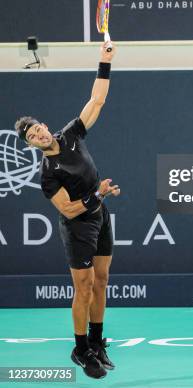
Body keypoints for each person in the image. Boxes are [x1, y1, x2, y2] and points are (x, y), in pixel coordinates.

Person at [14, 41, 119, 380]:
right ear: (31, 145)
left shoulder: (72, 134)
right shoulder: (48, 173)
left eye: (38, 128)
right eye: (32, 136)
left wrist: (104, 61)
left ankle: (97, 340)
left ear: (45, 126)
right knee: (84, 287)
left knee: (101, 281)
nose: (38, 134)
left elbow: (97, 100)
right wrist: (98, 195)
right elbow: (69, 210)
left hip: (99, 217)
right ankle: (80, 348)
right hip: (78, 227)